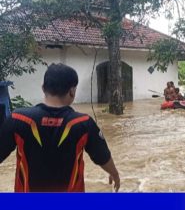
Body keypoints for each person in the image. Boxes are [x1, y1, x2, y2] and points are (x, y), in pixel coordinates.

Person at [0, 63, 120, 192]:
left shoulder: (18, 119)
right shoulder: (83, 123)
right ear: (72, 91)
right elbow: (102, 156)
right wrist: (115, 174)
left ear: (43, 88)